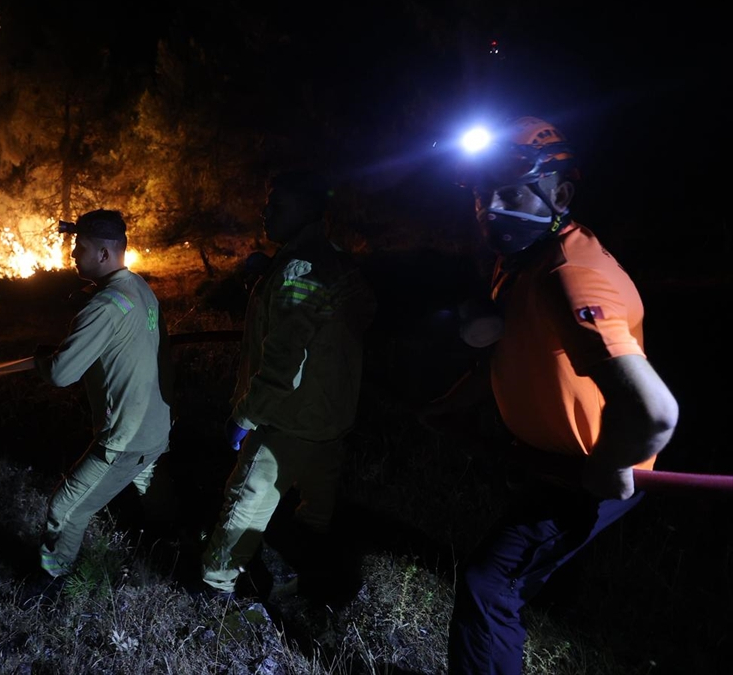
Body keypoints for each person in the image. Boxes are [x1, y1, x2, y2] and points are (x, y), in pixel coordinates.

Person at [421, 116, 679, 674]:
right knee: (528, 577)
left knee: (490, 587)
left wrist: (612, 463)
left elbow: (654, 413)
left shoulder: (570, 274)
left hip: (588, 473)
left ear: (560, 195)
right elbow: (511, 353)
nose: (490, 209)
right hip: (550, 460)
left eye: (510, 194)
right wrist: (449, 406)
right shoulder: (521, 259)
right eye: (482, 194)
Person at [197, 169, 377, 601]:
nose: (266, 213)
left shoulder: (299, 270)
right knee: (315, 509)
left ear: (308, 210)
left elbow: (282, 366)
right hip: (331, 418)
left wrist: (244, 417)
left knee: (245, 502)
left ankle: (214, 590)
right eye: (267, 204)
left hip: (287, 421)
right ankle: (306, 579)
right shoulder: (334, 261)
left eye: (277, 205)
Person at [21, 209, 175, 604]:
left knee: (66, 508)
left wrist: (43, 360)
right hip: (155, 426)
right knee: (148, 503)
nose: (73, 254)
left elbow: (62, 374)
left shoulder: (104, 307)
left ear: (104, 254)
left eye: (80, 247)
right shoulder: (139, 288)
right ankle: (169, 551)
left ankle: (52, 581)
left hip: (125, 438)